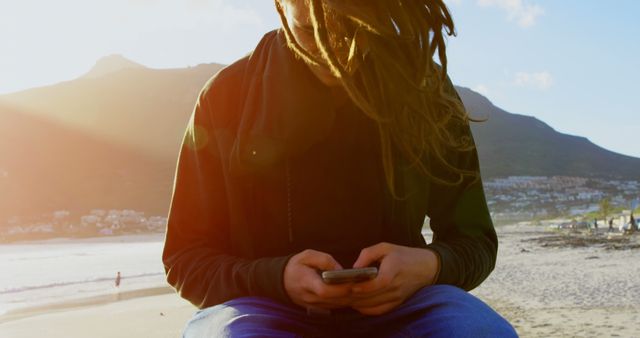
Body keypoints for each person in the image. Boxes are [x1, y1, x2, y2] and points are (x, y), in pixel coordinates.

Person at [162, 0, 517, 336]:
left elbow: (476, 241)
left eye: (349, 32)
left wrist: (430, 266)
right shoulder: (224, 97)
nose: (333, 53)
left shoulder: (424, 90)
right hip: (262, 309)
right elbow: (185, 258)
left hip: (409, 307)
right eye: (309, 31)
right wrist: (275, 277)